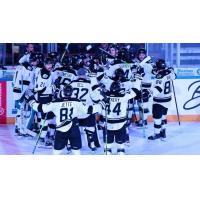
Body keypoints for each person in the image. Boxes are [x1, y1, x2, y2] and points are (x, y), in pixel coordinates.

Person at [25, 85, 103, 155]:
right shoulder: (77, 102)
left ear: (62, 92)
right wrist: (101, 104)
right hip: (74, 130)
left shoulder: (55, 102)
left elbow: (41, 108)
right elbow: (89, 110)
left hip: (60, 130)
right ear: (72, 93)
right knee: (76, 152)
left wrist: (31, 100)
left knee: (56, 152)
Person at [70, 68, 104, 151]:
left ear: (77, 75)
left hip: (75, 112)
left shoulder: (71, 84)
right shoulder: (89, 84)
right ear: (85, 75)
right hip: (87, 111)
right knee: (90, 127)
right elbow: (96, 99)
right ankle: (91, 144)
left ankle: (69, 144)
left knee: (71, 127)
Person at [102, 81, 140, 155]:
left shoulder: (104, 96)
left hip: (108, 123)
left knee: (107, 148)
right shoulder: (124, 96)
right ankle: (120, 151)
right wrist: (138, 79)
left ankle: (108, 152)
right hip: (121, 123)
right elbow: (135, 90)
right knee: (121, 147)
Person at [148, 59, 176, 140]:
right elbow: (175, 76)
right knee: (163, 116)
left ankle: (157, 133)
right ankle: (163, 132)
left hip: (159, 100)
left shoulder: (159, 76)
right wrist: (171, 70)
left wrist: (149, 93)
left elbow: (158, 89)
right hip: (168, 99)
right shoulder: (169, 72)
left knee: (157, 118)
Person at [13, 52, 36, 135]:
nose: (35, 63)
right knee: (21, 109)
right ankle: (20, 128)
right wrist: (32, 89)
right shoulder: (28, 68)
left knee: (19, 110)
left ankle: (17, 127)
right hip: (21, 90)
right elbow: (27, 82)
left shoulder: (20, 66)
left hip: (17, 89)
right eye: (34, 61)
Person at [133, 48, 154, 128]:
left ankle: (144, 121)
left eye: (143, 54)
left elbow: (154, 72)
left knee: (144, 105)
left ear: (145, 55)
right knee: (139, 104)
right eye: (140, 54)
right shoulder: (136, 62)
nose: (141, 56)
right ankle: (142, 120)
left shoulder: (150, 63)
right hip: (138, 86)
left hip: (146, 87)